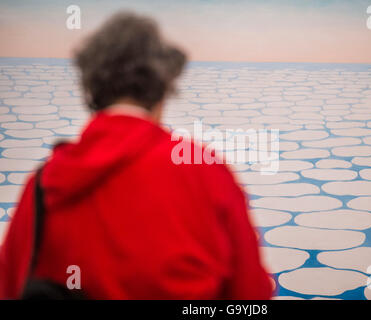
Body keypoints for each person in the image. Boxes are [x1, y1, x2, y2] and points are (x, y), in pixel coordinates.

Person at [0, 11, 272, 299]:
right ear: (163, 88)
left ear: (92, 88)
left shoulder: (44, 187)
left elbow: (8, 288)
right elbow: (251, 295)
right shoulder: (202, 169)